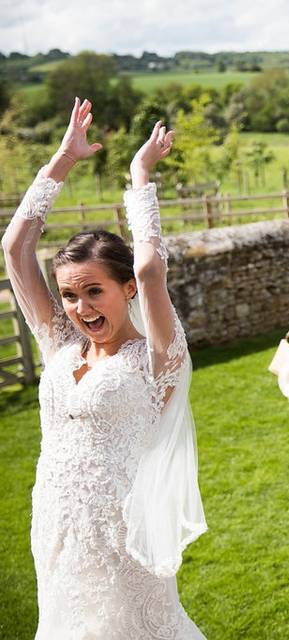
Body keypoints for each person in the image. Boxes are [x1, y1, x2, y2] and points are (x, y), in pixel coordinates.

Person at [2, 101, 205, 636]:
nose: (81, 307)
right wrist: (61, 162)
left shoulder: (157, 357)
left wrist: (140, 179)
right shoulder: (61, 345)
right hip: (55, 521)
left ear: (127, 291)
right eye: (69, 294)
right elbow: (15, 247)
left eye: (95, 291)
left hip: (123, 534)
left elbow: (149, 266)